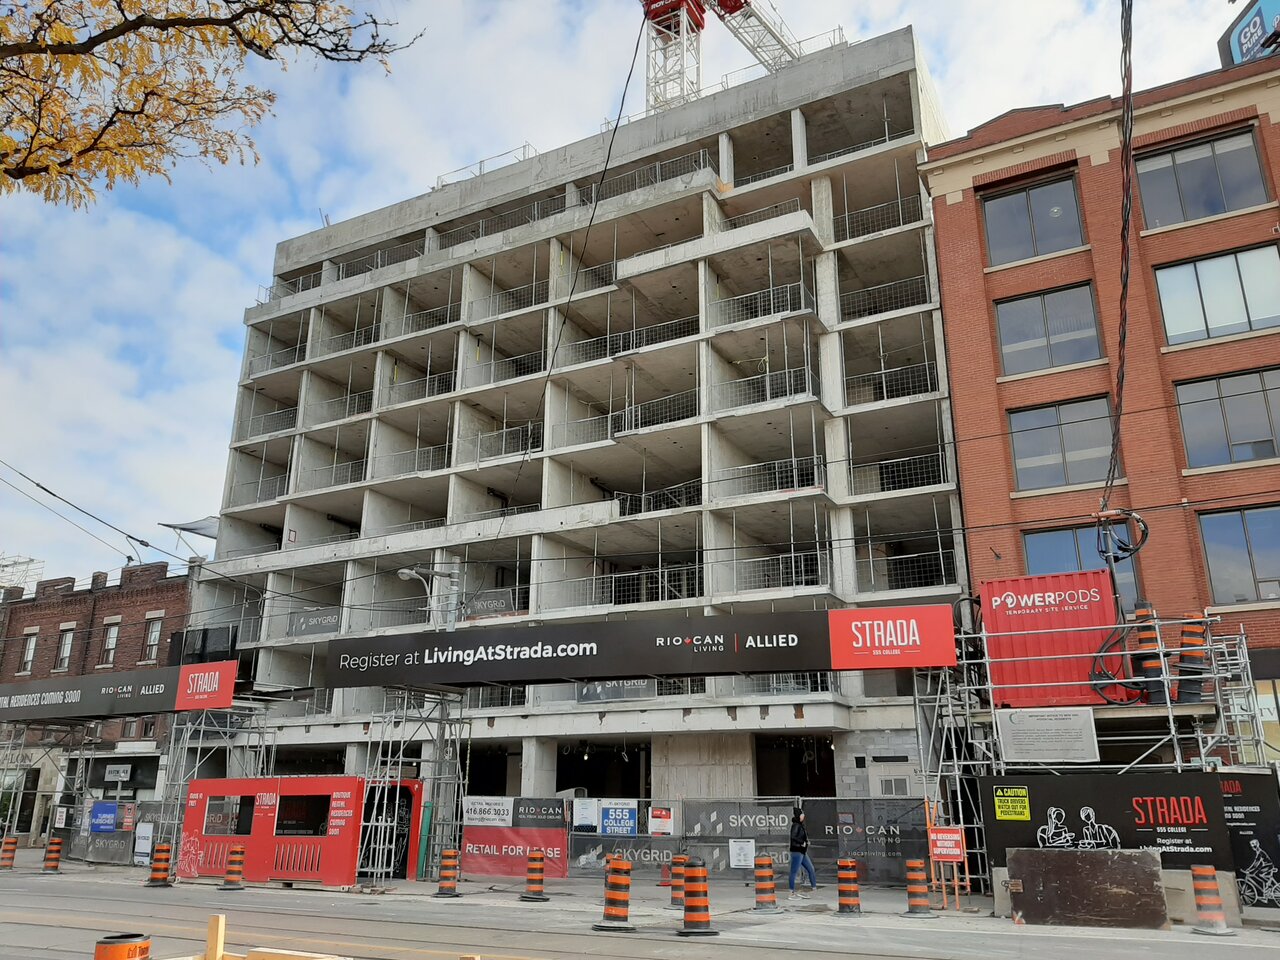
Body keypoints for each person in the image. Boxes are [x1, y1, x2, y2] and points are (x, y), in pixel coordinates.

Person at [788, 806, 817, 899]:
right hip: (797, 851)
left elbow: (801, 836)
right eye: (802, 814)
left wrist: (806, 841)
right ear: (799, 815)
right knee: (794, 871)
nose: (803, 815)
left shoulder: (800, 825)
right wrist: (802, 843)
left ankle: (814, 889)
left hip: (802, 852)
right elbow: (793, 837)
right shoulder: (796, 825)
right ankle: (791, 893)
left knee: (811, 869)